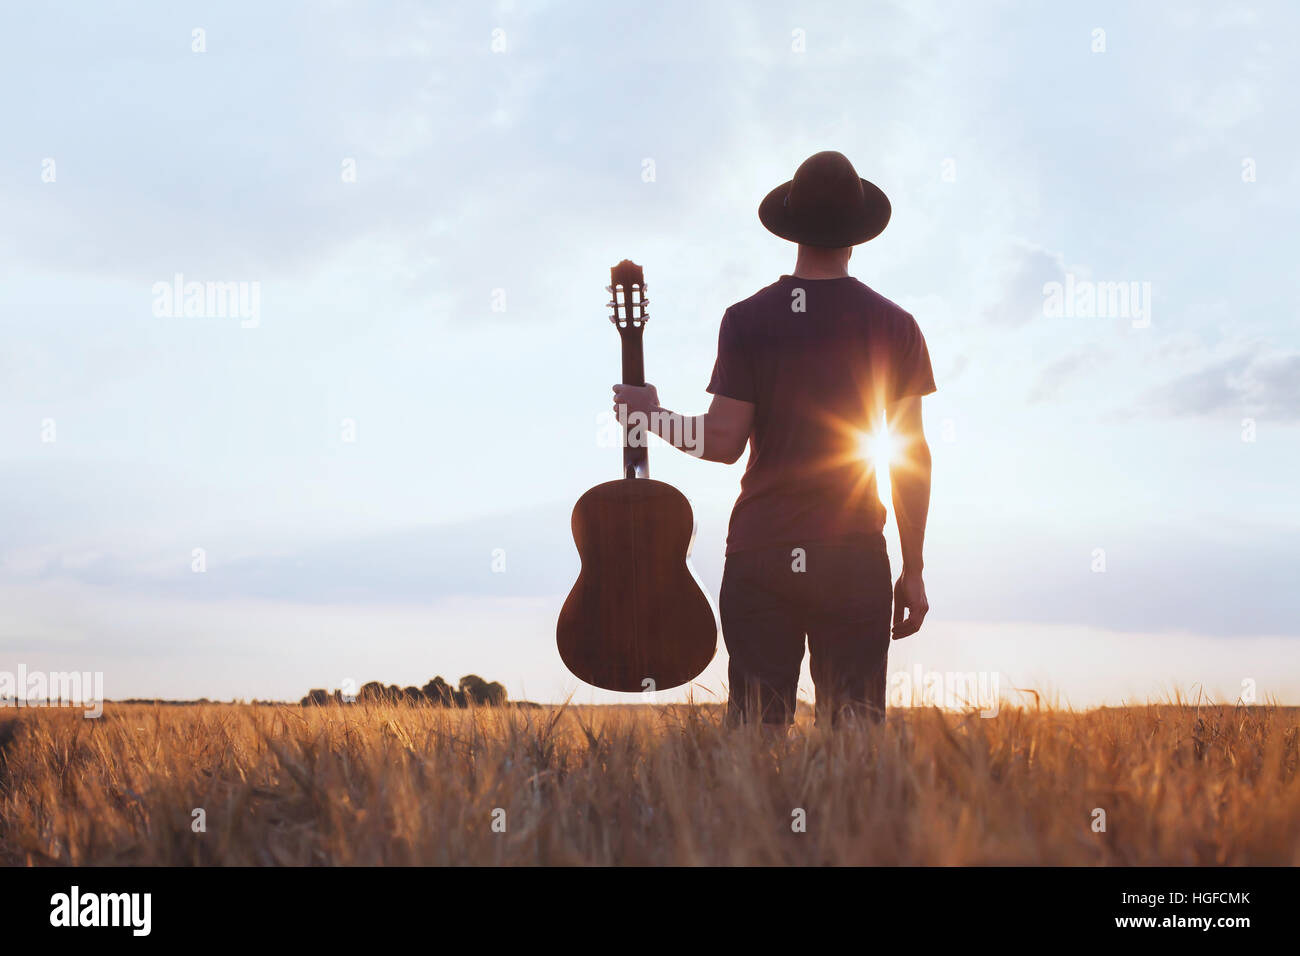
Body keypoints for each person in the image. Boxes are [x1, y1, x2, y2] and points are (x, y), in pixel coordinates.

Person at [612, 150, 936, 729]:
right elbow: (910, 458)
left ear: (791, 226)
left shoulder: (749, 319)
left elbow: (722, 441)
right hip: (853, 553)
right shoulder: (895, 324)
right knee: (855, 740)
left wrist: (652, 415)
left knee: (756, 739)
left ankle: (756, 822)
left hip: (762, 552)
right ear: (857, 234)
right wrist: (912, 567)